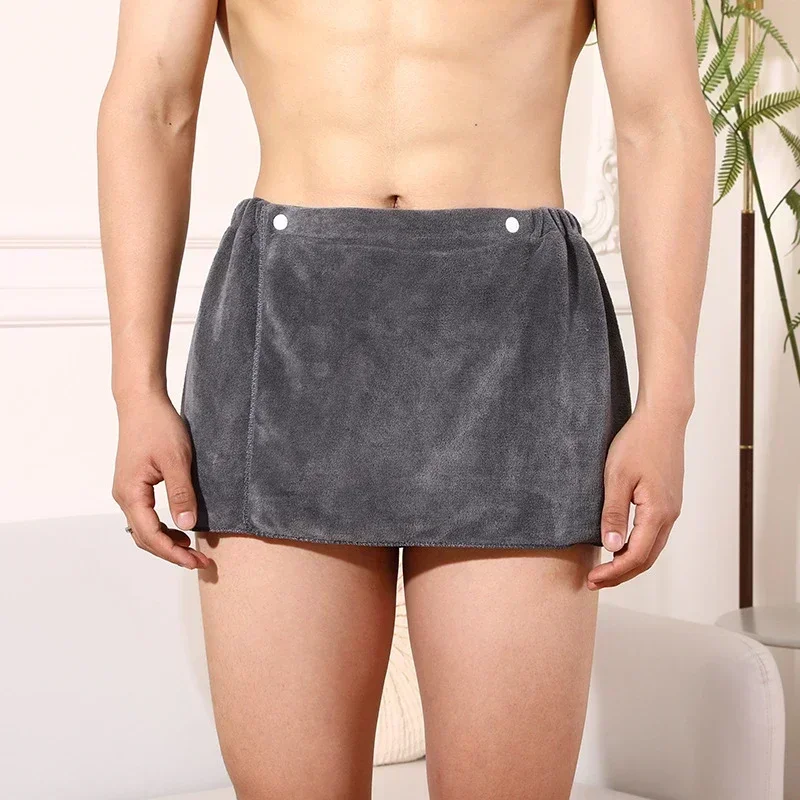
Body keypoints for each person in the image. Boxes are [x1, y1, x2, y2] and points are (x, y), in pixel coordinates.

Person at [97, 0, 714, 797]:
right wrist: (134, 390)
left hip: (517, 337)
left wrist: (668, 407)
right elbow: (151, 106)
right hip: (286, 333)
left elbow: (661, 118)